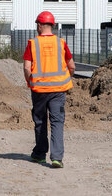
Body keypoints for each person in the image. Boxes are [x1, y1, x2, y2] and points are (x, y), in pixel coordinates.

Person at [23, 11, 75, 168]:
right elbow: (71, 66)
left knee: (40, 121)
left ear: (39, 25)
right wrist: (65, 78)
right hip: (58, 90)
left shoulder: (32, 43)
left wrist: (31, 82)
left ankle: (39, 154)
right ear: (52, 26)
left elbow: (26, 67)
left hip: (39, 90)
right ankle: (57, 158)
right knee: (57, 122)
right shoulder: (61, 43)